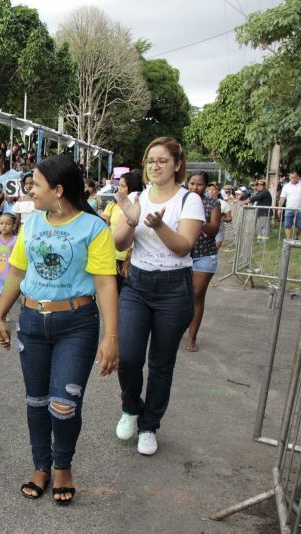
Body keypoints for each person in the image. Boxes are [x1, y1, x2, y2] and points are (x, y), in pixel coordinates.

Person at [0, 154, 119, 504]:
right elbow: (17, 272)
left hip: (76, 325)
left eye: (36, 184)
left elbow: (106, 284)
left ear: (59, 189)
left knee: (64, 404)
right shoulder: (31, 223)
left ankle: (62, 465)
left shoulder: (94, 229)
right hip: (31, 322)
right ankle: (41, 466)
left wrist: (111, 337)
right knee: (36, 400)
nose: (30, 190)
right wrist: (0, 314)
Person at [113, 137, 204, 456]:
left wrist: (160, 225)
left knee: (161, 363)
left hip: (173, 287)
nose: (155, 166)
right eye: (151, 160)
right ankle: (130, 408)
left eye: (163, 160)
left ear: (177, 164)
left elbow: (184, 246)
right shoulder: (136, 197)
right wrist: (132, 219)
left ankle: (149, 426)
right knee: (128, 357)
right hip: (136, 284)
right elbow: (120, 243)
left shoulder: (188, 200)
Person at [186, 172, 221, 353]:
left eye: (199, 184)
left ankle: (192, 336)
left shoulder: (212, 203)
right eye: (192, 183)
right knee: (181, 296)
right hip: (182, 255)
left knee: (197, 295)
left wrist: (198, 222)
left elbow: (214, 229)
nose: (194, 187)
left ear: (206, 186)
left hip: (204, 255)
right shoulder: (181, 200)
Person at [101, 170, 144, 291]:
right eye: (119, 185)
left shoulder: (140, 204)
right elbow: (103, 224)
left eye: (123, 186)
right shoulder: (113, 204)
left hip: (133, 259)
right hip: (114, 256)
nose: (119, 188)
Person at [207, 182, 232, 251]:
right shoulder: (201, 202)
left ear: (218, 192)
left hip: (218, 231)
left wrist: (222, 218)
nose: (211, 191)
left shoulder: (224, 204)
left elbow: (229, 218)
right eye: (209, 189)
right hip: (205, 231)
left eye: (214, 189)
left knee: (213, 253)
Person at [279, 170, 301, 239]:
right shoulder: (286, 186)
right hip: (289, 209)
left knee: (299, 226)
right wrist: (279, 209)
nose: (293, 179)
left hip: (300, 209)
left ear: (298, 177)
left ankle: (296, 236)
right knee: (287, 225)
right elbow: (282, 198)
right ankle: (288, 240)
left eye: (295, 177)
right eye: (291, 177)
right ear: (289, 177)